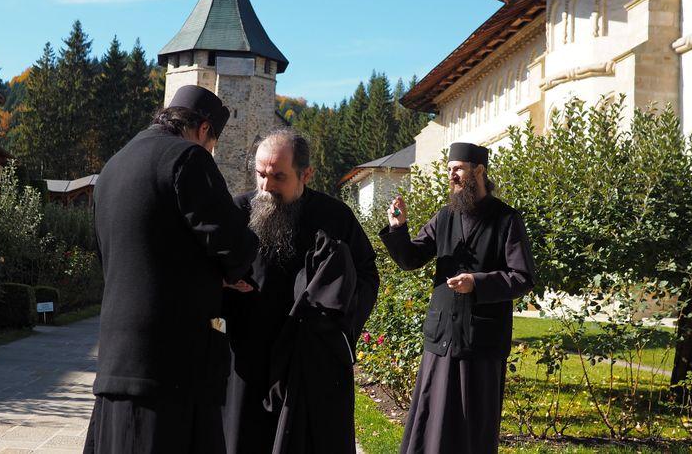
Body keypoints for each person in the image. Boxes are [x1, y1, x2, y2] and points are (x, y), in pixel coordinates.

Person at [84, 85, 258, 454]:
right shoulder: (188, 158)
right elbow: (233, 246)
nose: (210, 151)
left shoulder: (113, 167)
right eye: (212, 143)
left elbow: (115, 256)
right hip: (174, 368)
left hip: (117, 364)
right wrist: (231, 273)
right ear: (204, 129)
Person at [221, 128, 379, 454]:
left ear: (306, 174)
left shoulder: (335, 217)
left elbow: (366, 276)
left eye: (279, 177)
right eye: (260, 174)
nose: (266, 186)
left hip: (310, 360)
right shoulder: (237, 212)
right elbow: (206, 271)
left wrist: (334, 327)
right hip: (250, 354)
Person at [380, 142, 535, 454]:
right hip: (443, 335)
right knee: (431, 415)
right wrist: (398, 229)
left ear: (479, 171)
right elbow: (411, 258)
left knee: (471, 423)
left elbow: (522, 277)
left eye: (458, 169)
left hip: (481, 340)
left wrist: (476, 283)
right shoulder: (445, 217)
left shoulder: (506, 219)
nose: (451, 175)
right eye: (449, 169)